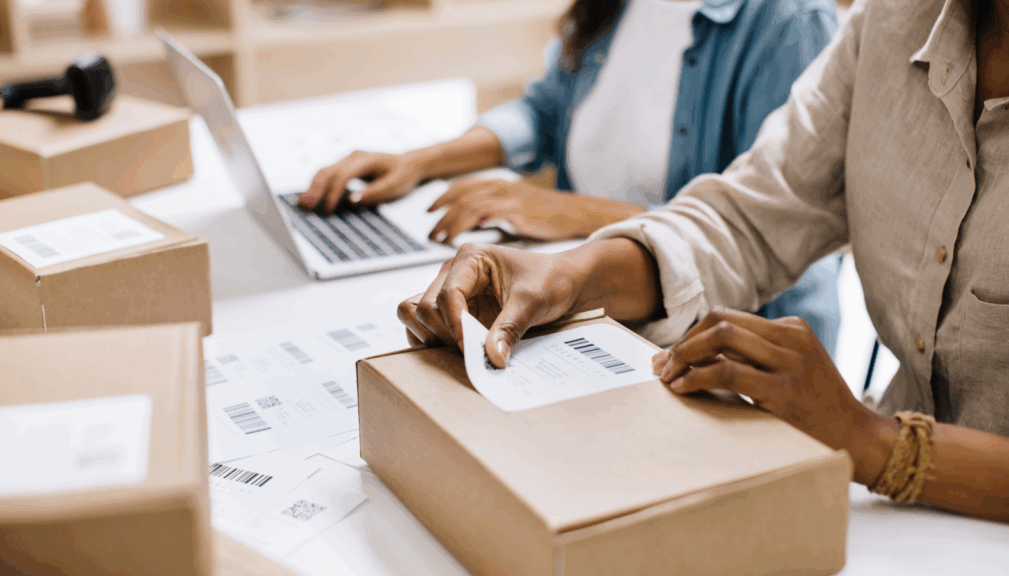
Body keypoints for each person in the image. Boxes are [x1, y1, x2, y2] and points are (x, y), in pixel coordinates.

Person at [395, 0, 1009, 522]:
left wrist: (876, 443)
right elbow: (753, 214)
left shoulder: (788, 18)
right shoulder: (894, 19)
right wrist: (569, 273)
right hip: (884, 506)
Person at [299, 0, 844, 355]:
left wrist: (570, 210)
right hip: (582, 292)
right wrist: (420, 161)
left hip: (712, 339)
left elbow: (758, 228)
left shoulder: (790, 22)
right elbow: (543, 110)